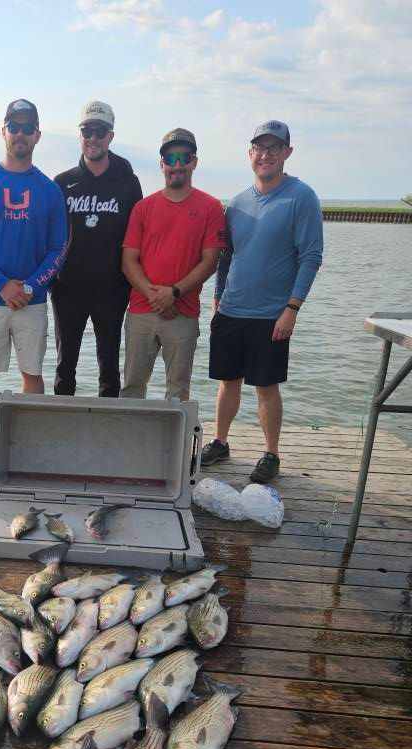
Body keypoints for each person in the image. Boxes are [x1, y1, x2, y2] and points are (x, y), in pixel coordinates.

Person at [201, 121, 323, 484]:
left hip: (272, 314)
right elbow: (226, 257)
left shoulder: (301, 197)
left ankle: (271, 453)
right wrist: (218, 297)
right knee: (228, 381)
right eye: (259, 148)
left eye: (274, 148)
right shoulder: (236, 203)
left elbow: (311, 257)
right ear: (250, 153)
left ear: (287, 152)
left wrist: (293, 308)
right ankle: (221, 442)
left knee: (266, 386)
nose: (266, 154)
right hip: (231, 309)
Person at [0, 98, 68, 458]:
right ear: (3, 131)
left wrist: (29, 286)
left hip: (32, 302)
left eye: (27, 128)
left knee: (32, 374)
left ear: (37, 135)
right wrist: (2, 285)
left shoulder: (50, 190)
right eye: (14, 126)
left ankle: (30, 440)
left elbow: (58, 249)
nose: (20, 134)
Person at [120, 128, 226, 402]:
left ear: (194, 162)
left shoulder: (211, 207)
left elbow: (210, 261)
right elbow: (128, 260)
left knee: (177, 392)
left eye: (184, 157)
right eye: (171, 158)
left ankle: (171, 446)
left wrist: (174, 293)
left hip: (184, 313)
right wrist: (155, 296)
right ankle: (131, 444)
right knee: (131, 387)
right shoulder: (143, 207)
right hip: (141, 311)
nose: (177, 164)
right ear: (162, 164)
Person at [51, 101, 142, 397]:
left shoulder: (129, 183)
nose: (93, 137)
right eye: (87, 130)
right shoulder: (62, 183)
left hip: (112, 291)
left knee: (109, 370)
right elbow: (49, 238)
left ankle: (108, 432)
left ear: (111, 136)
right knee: (65, 368)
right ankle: (62, 433)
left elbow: (138, 238)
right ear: (79, 135)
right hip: (67, 290)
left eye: (100, 131)